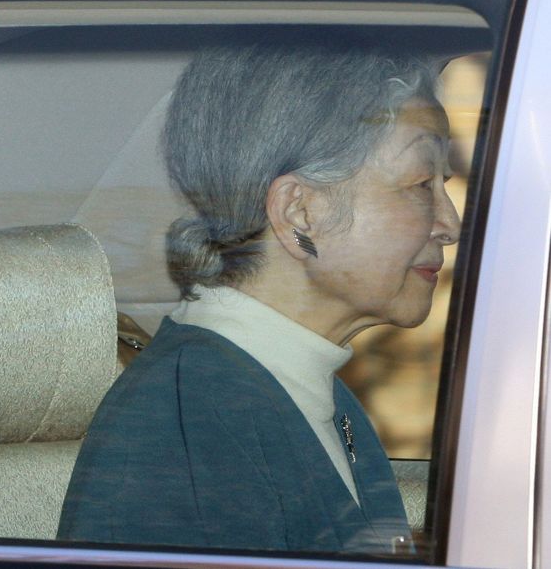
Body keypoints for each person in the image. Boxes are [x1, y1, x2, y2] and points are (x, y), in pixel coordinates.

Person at [57, 45, 460, 554]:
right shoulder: (191, 423)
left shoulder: (310, 394)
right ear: (300, 212)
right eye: (421, 184)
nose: (449, 225)